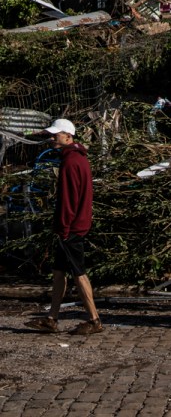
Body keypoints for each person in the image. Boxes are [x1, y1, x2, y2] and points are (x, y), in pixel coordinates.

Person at [26, 119, 103, 335]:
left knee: (78, 272)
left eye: (55, 135)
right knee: (59, 272)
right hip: (75, 224)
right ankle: (52, 317)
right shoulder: (78, 158)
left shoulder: (70, 162)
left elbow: (69, 200)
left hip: (71, 227)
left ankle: (94, 319)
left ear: (68, 136)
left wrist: (64, 228)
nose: (52, 138)